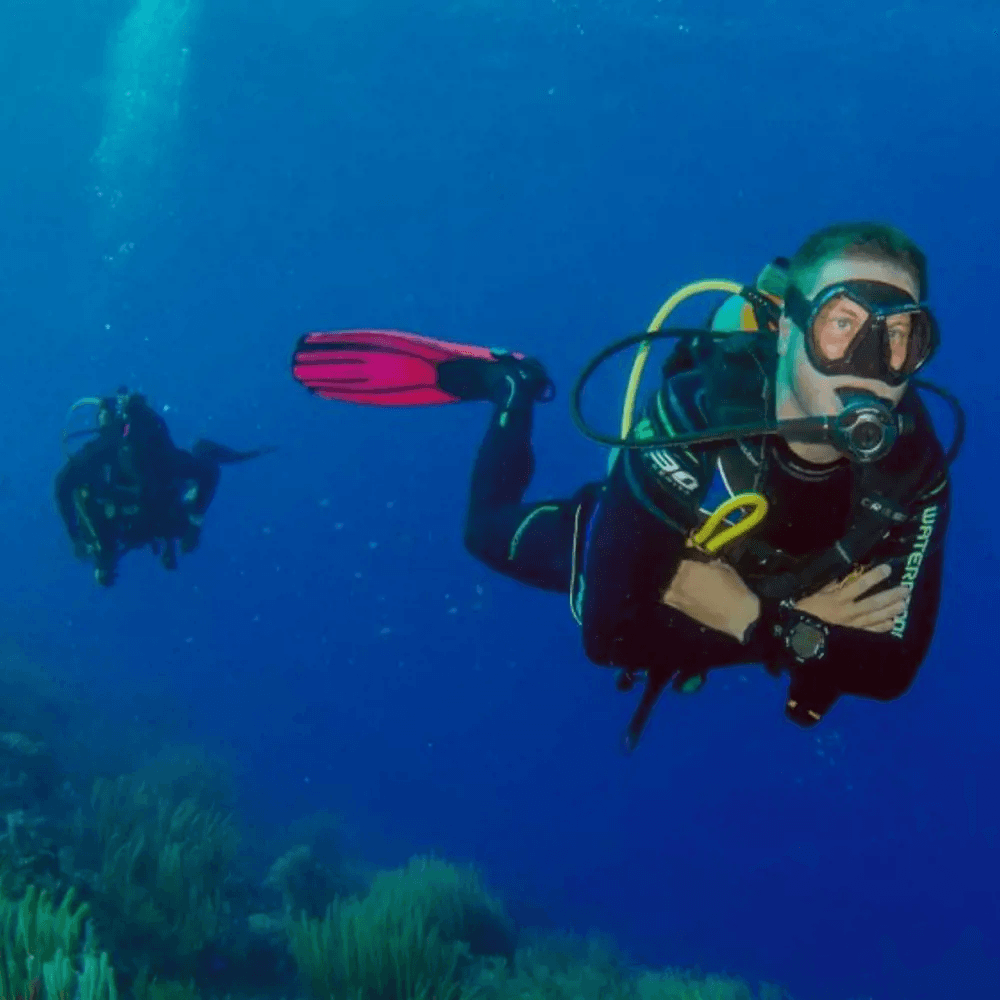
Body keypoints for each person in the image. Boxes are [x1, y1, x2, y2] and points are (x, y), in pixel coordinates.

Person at [291, 222, 958, 750]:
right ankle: (511, 387)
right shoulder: (690, 422)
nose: (873, 367)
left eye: (901, 336)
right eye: (843, 326)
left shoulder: (913, 467)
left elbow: (893, 669)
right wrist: (801, 637)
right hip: (635, 532)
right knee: (483, 528)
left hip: (754, 603)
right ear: (788, 330)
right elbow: (609, 636)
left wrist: (751, 620)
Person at [55, 387, 273, 586]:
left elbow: (208, 471)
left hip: (156, 514)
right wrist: (76, 537)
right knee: (90, 503)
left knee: (176, 507)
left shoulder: (159, 458)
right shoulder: (102, 454)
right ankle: (106, 555)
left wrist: (195, 521)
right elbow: (63, 485)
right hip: (130, 518)